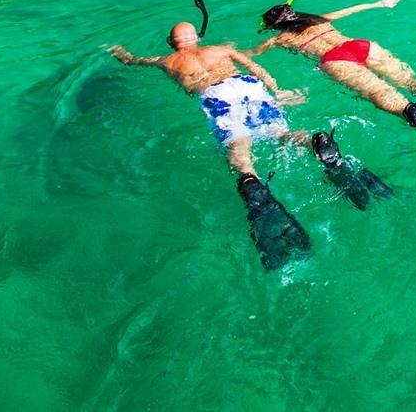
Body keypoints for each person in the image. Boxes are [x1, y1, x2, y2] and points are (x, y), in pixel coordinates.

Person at [106, 20, 391, 269]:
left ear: (172, 42)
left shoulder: (165, 60)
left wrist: (117, 51)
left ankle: (252, 182)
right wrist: (278, 90)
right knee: (281, 133)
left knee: (238, 148)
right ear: (197, 38)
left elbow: (132, 60)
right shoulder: (220, 49)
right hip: (247, 86)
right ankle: (312, 142)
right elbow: (255, 66)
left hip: (216, 97)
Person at [246, 0, 416, 173]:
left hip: (336, 60)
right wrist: (381, 3)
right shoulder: (319, 20)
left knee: (383, 95)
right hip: (360, 46)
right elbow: (352, 9)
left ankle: (413, 113)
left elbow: (251, 55)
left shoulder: (279, 39)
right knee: (408, 81)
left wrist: (234, 50)